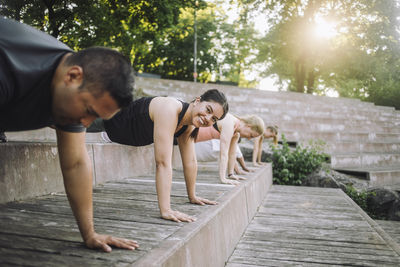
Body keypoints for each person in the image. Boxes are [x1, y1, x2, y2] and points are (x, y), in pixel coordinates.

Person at [0, 17, 138, 252]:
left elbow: (75, 163)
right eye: (88, 111)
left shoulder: (73, 84)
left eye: (95, 118)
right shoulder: (10, 66)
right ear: (73, 76)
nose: (85, 123)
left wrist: (90, 234)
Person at [87, 89, 229, 223]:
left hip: (113, 135)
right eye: (208, 110)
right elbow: (162, 163)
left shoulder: (189, 126)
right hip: (99, 122)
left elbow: (190, 162)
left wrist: (192, 196)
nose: (208, 118)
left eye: (214, 119)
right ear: (198, 101)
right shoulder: (170, 108)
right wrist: (166, 210)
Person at [196, 113, 265, 185]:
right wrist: (223, 178)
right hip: (186, 132)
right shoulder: (230, 122)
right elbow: (224, 153)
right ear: (248, 126)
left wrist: (231, 174)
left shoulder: (236, 133)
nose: (249, 138)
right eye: (251, 135)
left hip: (191, 138)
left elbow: (232, 154)